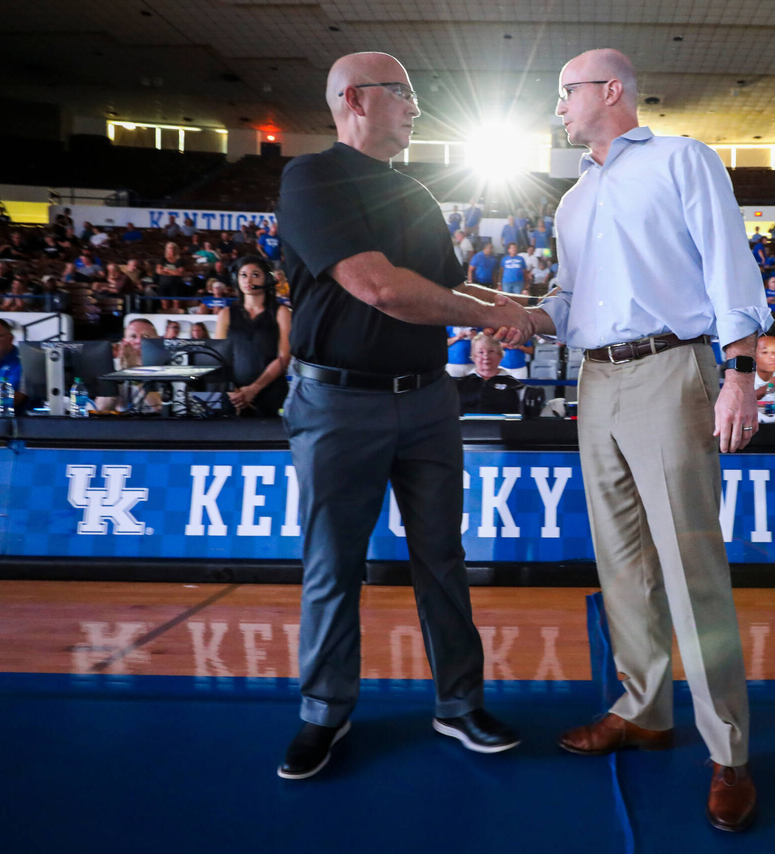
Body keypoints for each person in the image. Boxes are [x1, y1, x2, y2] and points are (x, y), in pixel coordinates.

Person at [525, 48, 764, 832]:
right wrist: (509, 316)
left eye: (567, 91)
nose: (558, 105)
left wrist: (740, 370)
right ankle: (645, 709)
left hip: (674, 369)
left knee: (691, 566)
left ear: (610, 90)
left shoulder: (682, 160)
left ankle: (729, 752)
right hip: (596, 381)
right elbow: (566, 303)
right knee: (621, 562)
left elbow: (730, 264)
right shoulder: (572, 200)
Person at [273, 50, 525, 780]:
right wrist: (491, 313)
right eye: (403, 94)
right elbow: (379, 288)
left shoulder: (413, 190)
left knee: (442, 558)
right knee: (333, 564)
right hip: (336, 402)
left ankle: (459, 702)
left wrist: (510, 317)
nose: (416, 107)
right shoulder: (310, 177)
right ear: (354, 99)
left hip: (425, 398)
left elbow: (450, 286)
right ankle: (324, 711)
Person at [212, 257, 292, 416]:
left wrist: (253, 389)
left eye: (255, 274)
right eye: (243, 275)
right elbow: (218, 357)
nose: (248, 279)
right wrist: (233, 391)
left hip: (271, 392)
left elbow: (284, 358)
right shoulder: (226, 314)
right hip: (233, 395)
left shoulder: (281, 312)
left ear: (267, 279)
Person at [455, 333, 525, 413]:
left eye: (491, 351)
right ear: (473, 356)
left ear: (500, 355)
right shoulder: (459, 385)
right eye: (481, 352)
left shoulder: (516, 386)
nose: (486, 356)